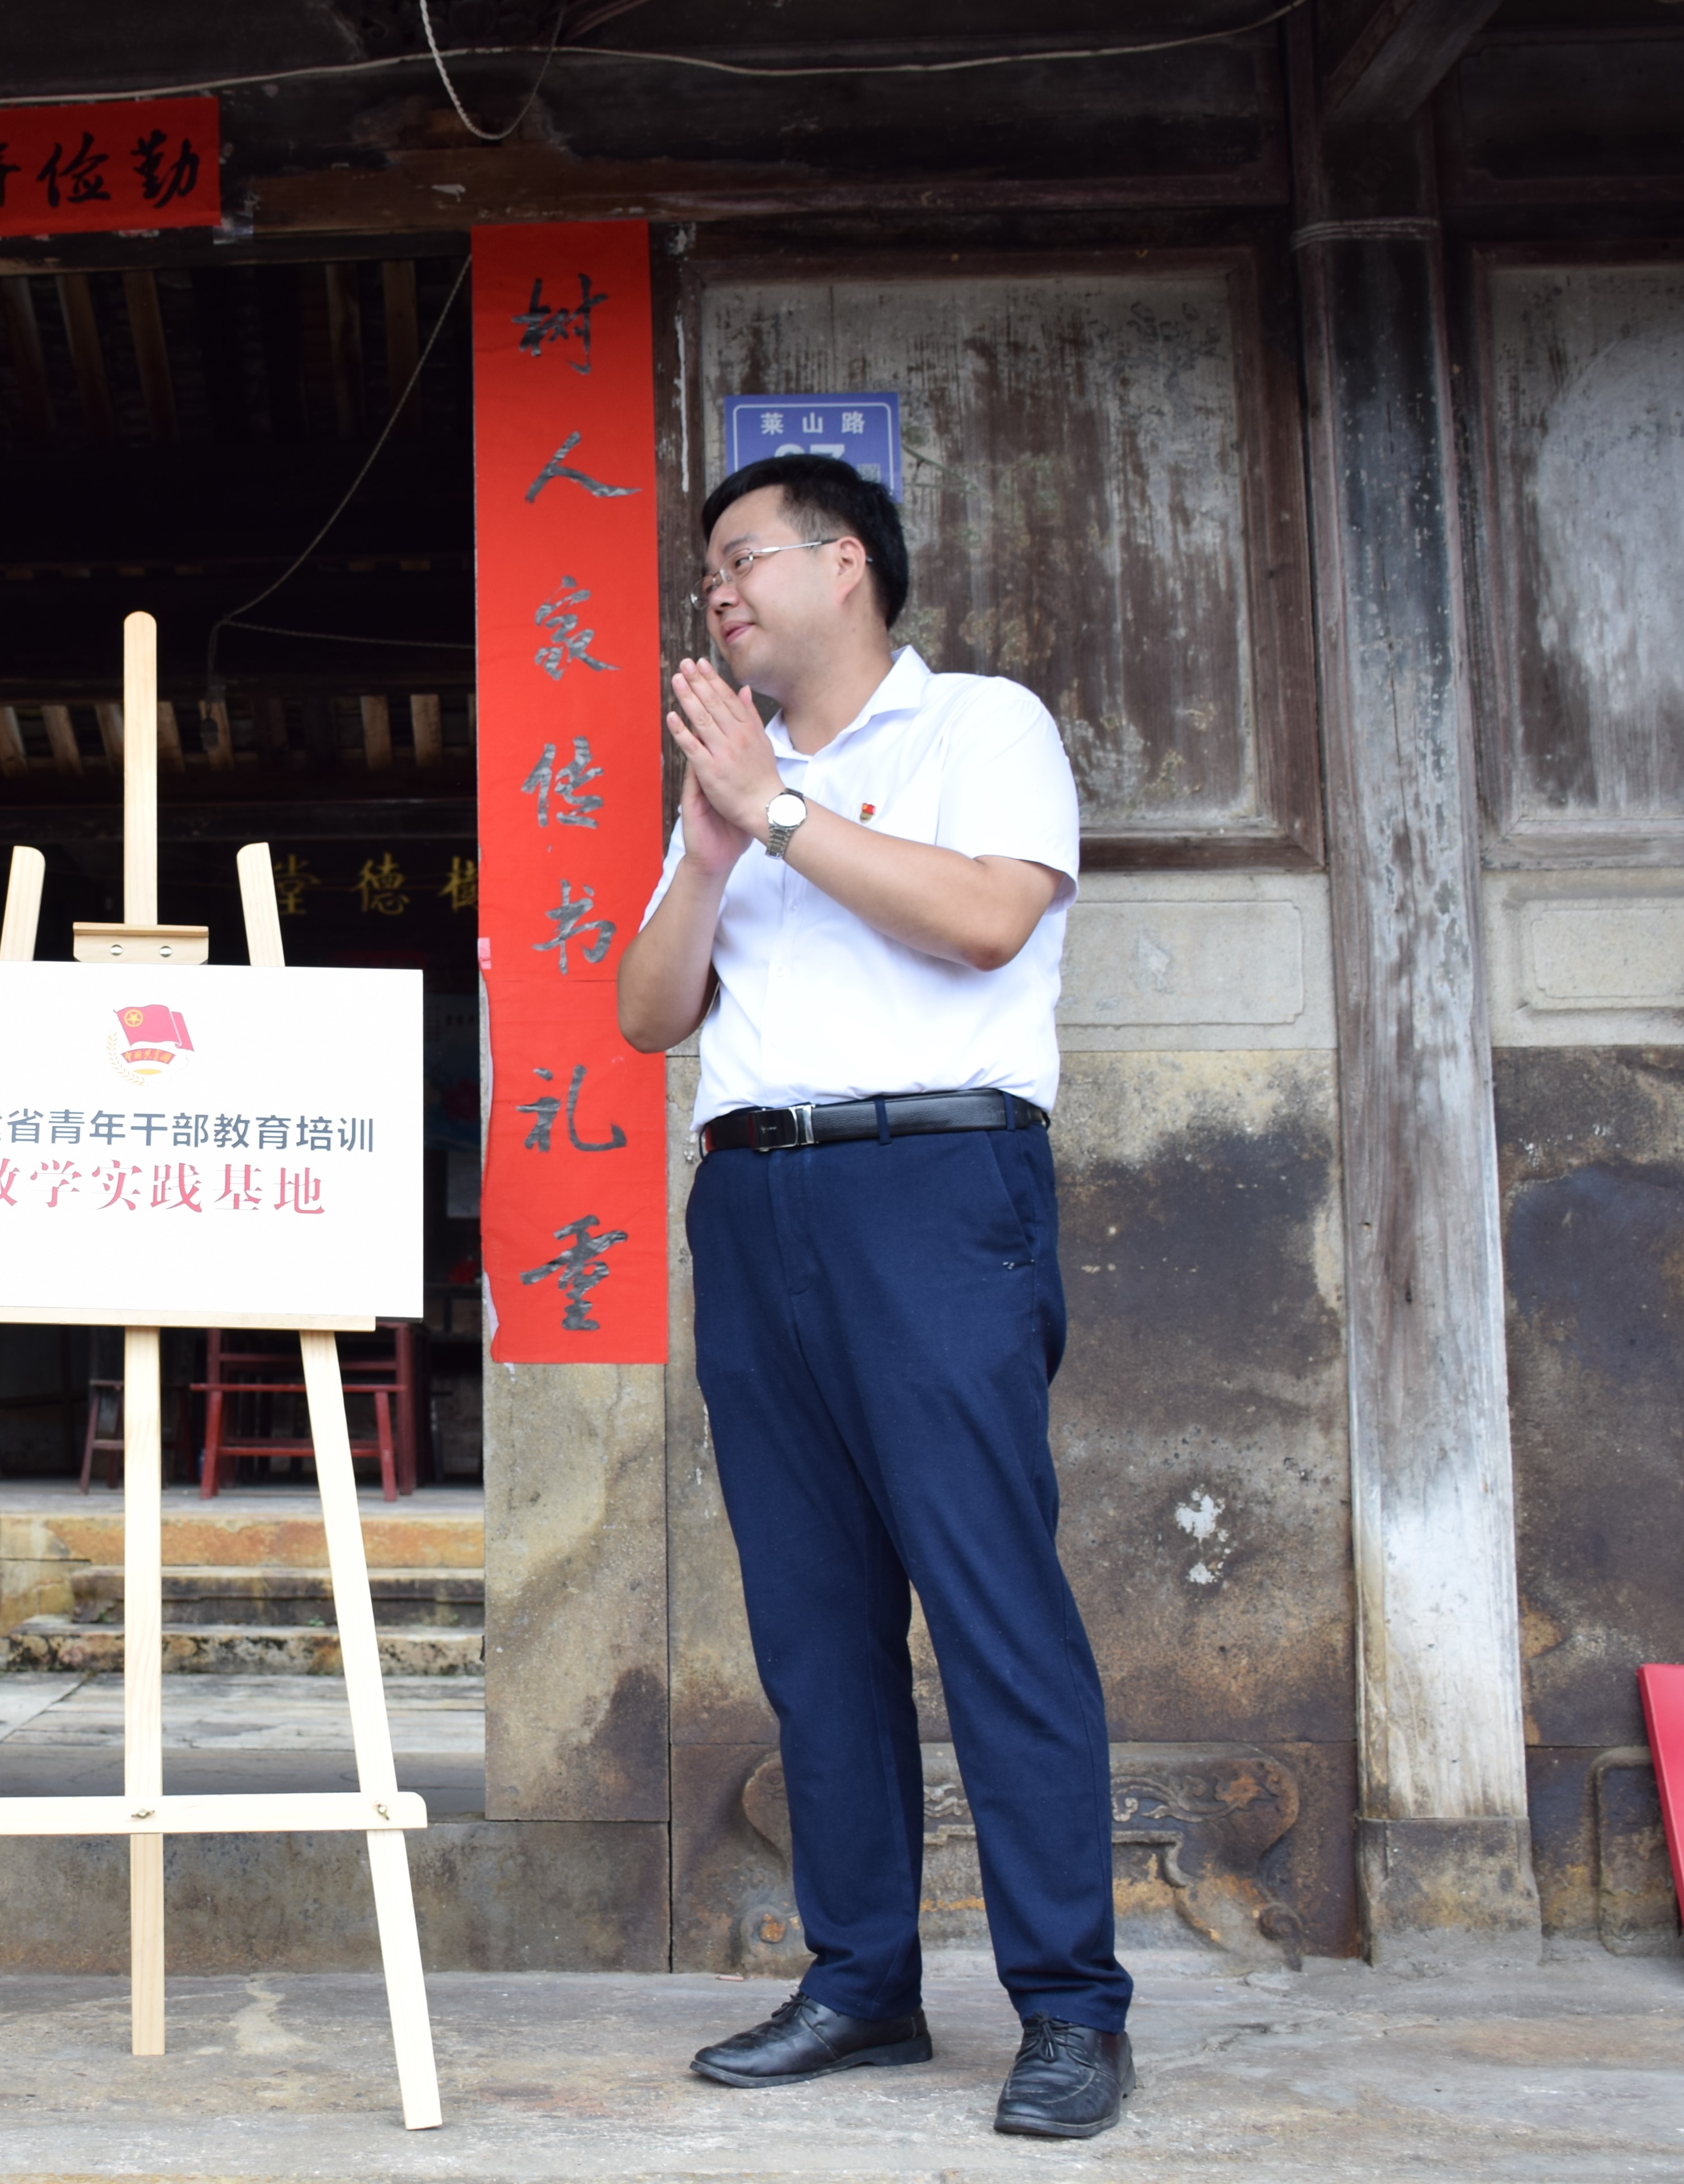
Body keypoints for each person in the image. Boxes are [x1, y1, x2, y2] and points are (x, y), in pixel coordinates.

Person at [617, 454, 1133, 2139]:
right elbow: (644, 1014)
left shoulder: (982, 727)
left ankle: (1068, 2005)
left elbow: (988, 921)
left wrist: (776, 809)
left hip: (935, 1185)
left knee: (992, 1601)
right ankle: (861, 1986)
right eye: (707, 575)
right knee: (813, 1625)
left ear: (849, 567)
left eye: (745, 559)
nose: (721, 593)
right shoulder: (735, 781)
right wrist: (710, 846)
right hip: (756, 1199)